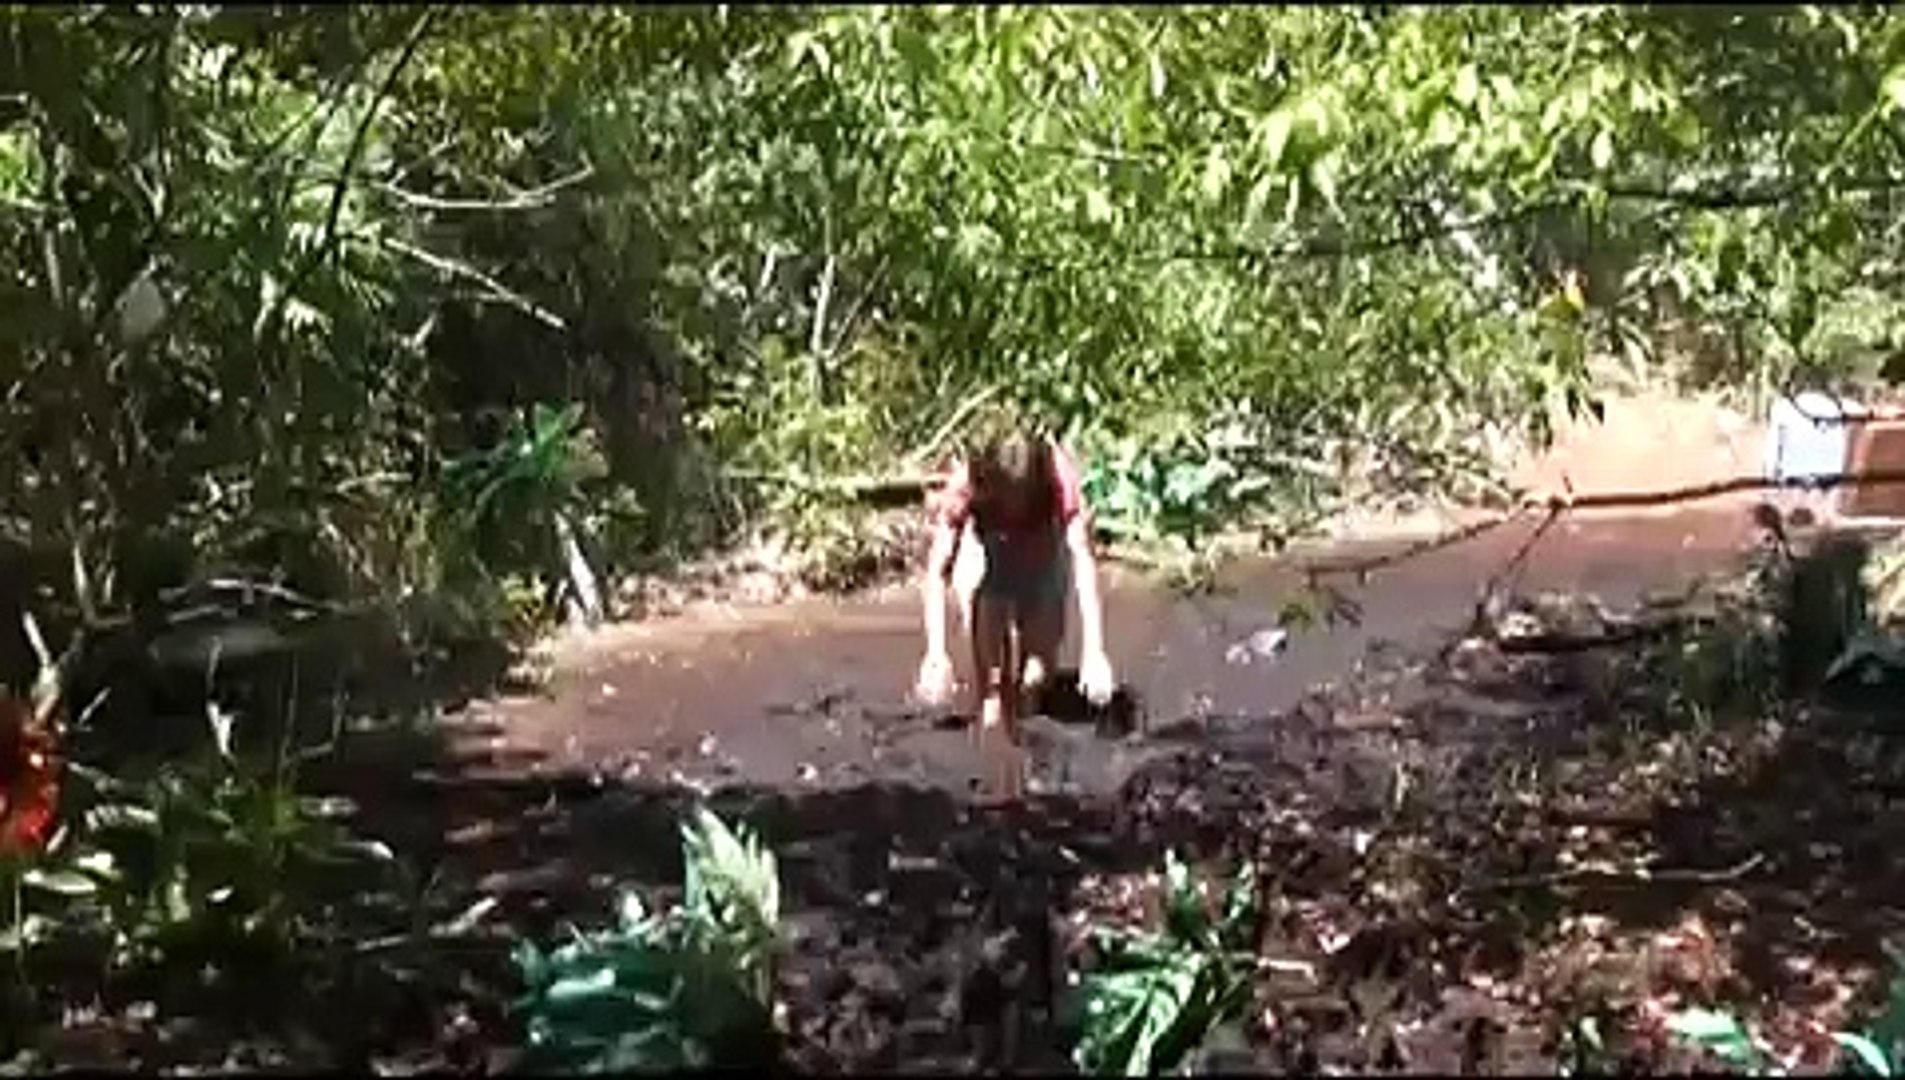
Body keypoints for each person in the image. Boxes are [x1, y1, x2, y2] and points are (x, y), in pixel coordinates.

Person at [913, 424, 1117, 795]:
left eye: (1021, 496)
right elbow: (937, 570)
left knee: (1035, 680)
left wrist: (1095, 651)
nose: (1014, 505)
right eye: (1006, 495)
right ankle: (995, 786)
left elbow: (1082, 562)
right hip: (988, 567)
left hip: (1044, 568)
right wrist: (936, 652)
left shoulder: (1059, 481)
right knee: (992, 690)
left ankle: (1031, 773)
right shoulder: (966, 485)